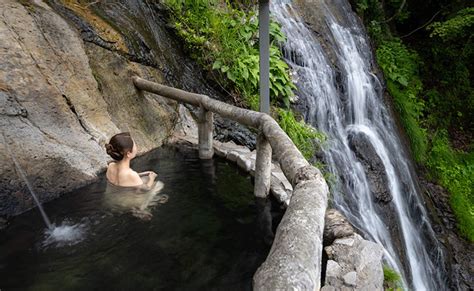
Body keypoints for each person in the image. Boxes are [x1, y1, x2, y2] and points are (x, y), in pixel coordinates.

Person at [103, 132, 167, 220]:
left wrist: (144, 173)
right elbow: (146, 189)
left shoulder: (111, 166)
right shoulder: (131, 175)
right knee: (158, 185)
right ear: (129, 153)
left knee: (144, 178)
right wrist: (152, 178)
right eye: (135, 145)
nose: (136, 146)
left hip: (110, 199)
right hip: (125, 203)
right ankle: (141, 209)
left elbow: (123, 178)